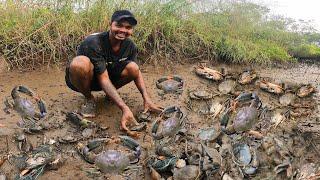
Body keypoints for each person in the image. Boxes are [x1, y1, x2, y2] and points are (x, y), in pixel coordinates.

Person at [65, 10, 162, 132]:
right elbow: (103, 79)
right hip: (86, 80)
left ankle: (110, 95)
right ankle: (89, 99)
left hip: (107, 77)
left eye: (128, 27)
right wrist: (124, 108)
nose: (123, 30)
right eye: (119, 25)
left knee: (133, 67)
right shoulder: (94, 42)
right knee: (80, 63)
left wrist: (146, 98)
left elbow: (136, 72)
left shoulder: (130, 46)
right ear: (110, 24)